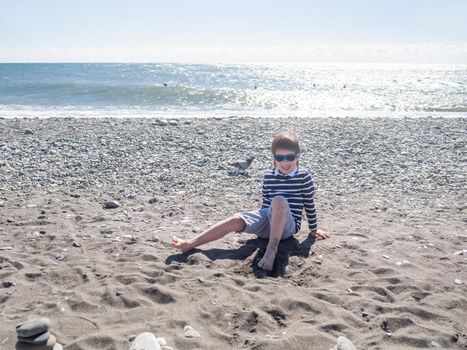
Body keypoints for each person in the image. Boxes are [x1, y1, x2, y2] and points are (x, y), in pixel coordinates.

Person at [172, 130, 332, 271]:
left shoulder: (304, 176)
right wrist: (256, 228)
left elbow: (309, 204)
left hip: (288, 227)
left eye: (289, 157)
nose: (285, 162)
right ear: (274, 157)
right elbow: (265, 206)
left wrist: (313, 229)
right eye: (280, 157)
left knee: (279, 200)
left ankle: (271, 250)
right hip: (270, 219)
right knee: (236, 219)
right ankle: (191, 243)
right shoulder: (269, 176)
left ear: (298, 156)